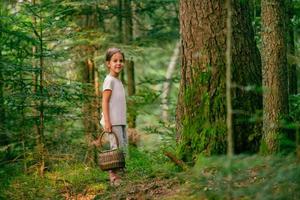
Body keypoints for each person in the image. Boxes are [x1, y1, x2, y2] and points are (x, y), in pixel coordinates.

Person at [100, 47, 128, 186]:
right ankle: (114, 178)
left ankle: (121, 174)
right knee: (115, 149)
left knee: (122, 148)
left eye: (121, 61)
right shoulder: (109, 80)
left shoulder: (118, 81)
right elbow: (104, 101)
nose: (118, 63)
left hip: (120, 121)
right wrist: (107, 121)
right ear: (108, 63)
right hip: (112, 121)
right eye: (115, 60)